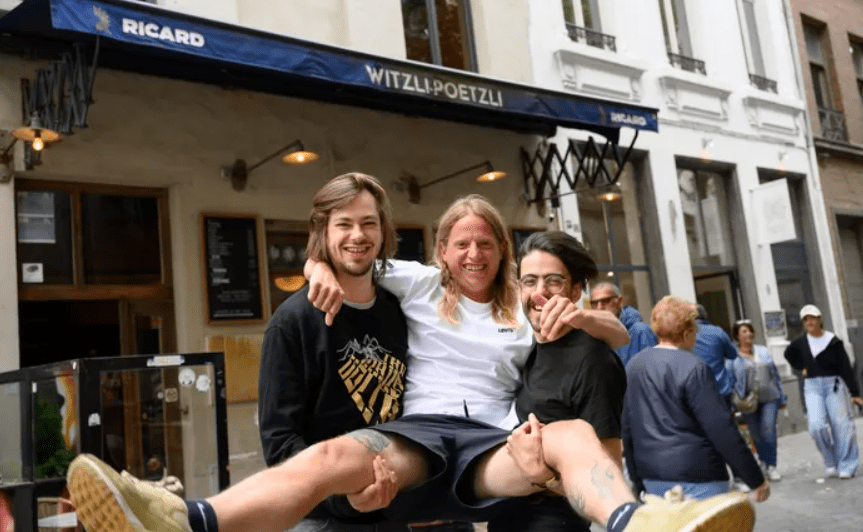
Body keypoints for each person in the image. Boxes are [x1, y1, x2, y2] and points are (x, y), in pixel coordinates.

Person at [65, 195, 758, 532]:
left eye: (486, 243)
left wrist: (579, 316)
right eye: (460, 243)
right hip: (417, 433)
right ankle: (184, 520)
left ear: (501, 251)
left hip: (493, 442)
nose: (473, 254)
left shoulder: (524, 307)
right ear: (443, 252)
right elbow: (351, 252)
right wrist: (315, 266)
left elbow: (618, 334)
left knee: (569, 434)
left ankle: (634, 522)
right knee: (332, 455)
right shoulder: (419, 284)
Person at [258, 172, 409, 531]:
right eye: (344, 224)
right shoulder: (292, 323)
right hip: (322, 519)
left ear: (383, 231)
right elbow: (280, 444)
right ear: (323, 233)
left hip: (397, 513)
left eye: (369, 223)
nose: (358, 235)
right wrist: (344, 499)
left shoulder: (401, 310)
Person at [487, 231, 627, 532]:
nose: (540, 292)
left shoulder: (593, 360)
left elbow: (609, 477)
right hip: (506, 518)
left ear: (575, 291)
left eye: (553, 281)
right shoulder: (523, 345)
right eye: (530, 281)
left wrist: (544, 477)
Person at [623, 296, 770, 502]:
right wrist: (754, 478)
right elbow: (720, 427)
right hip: (698, 474)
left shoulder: (634, 366)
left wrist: (637, 479)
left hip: (652, 476)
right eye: (695, 331)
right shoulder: (693, 366)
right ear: (686, 333)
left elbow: (628, 427)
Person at [784, 304, 863, 479]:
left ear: (819, 320)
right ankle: (830, 461)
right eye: (806, 319)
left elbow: (845, 366)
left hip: (833, 385)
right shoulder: (800, 342)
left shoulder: (832, 341)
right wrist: (801, 367)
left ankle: (847, 465)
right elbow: (788, 354)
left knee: (842, 426)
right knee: (816, 427)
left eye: (812, 318)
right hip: (812, 387)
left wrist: (855, 392)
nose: (810, 322)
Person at [728, 319, 786, 482]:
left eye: (750, 330)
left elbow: (775, 374)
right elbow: (730, 380)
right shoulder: (733, 357)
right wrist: (733, 403)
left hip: (770, 397)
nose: (749, 334)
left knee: (768, 431)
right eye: (744, 331)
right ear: (737, 336)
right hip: (748, 402)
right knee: (756, 435)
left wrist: (782, 396)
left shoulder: (763, 351)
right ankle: (763, 462)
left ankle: (771, 465)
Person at [589, 282, 657, 367]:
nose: (599, 308)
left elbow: (652, 370)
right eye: (594, 303)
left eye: (605, 301)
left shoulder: (641, 332)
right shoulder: (593, 337)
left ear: (620, 301)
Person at [692, 305, 738, 409]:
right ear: (705, 315)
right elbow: (732, 354)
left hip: (696, 391)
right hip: (720, 389)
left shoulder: (684, 336)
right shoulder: (717, 332)